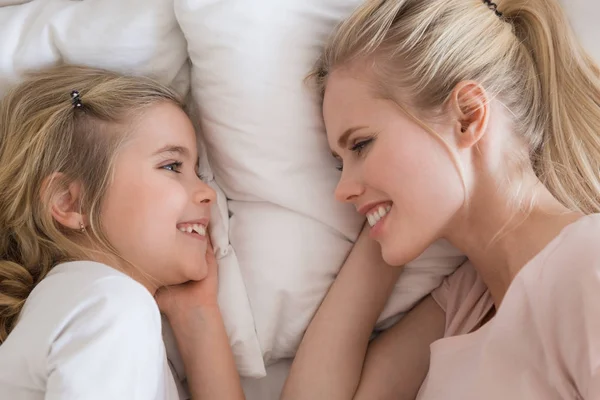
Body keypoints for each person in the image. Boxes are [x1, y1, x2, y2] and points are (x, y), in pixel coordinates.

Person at [282, 0, 600, 398]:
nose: (342, 189)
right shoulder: (466, 304)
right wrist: (389, 212)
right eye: (339, 164)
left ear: (467, 115)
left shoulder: (588, 265)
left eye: (361, 145)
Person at [0, 65, 245, 400]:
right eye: (172, 166)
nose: (207, 192)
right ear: (71, 202)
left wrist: (197, 314)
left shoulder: (85, 304)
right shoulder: (112, 305)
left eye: (198, 170)